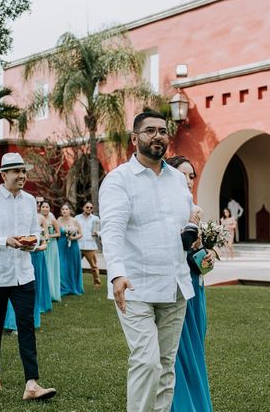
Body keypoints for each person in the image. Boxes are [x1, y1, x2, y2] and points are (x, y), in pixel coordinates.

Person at [99, 110, 195, 412]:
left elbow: (188, 220)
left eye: (163, 131)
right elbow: (111, 230)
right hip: (135, 286)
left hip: (176, 285)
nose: (158, 136)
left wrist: (198, 235)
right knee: (146, 361)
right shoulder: (118, 181)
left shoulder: (178, 180)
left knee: (166, 366)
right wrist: (116, 273)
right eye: (150, 130)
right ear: (134, 138)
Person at [0, 152, 56, 401]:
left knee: (26, 326)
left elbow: (34, 232)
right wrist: (3, 241)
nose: (22, 176)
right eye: (16, 171)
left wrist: (33, 242)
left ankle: (32, 384)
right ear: (4, 175)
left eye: (24, 171)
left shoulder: (29, 200)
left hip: (24, 274)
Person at [166, 155, 214, 412]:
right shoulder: (166, 211)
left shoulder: (195, 209)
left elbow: (201, 260)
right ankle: (180, 405)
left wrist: (206, 256)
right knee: (177, 349)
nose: (188, 181)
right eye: (182, 175)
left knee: (195, 349)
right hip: (174, 287)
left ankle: (197, 401)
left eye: (191, 176)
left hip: (197, 286)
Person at [57, 203, 84, 296]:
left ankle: (73, 286)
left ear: (70, 210)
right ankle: (64, 287)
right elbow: (57, 232)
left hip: (72, 246)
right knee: (61, 266)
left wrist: (73, 238)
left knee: (72, 266)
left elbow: (81, 234)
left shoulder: (74, 221)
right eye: (63, 209)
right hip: (61, 245)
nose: (64, 211)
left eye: (66, 209)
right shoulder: (58, 220)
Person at [75, 201, 102, 287]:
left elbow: (102, 231)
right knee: (75, 266)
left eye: (91, 208)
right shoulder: (77, 218)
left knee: (94, 267)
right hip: (78, 245)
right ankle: (75, 284)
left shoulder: (96, 219)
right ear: (83, 208)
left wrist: (97, 233)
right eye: (87, 207)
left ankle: (97, 283)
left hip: (90, 246)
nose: (89, 209)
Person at [40, 201, 61, 302]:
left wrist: (49, 236)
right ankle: (44, 292)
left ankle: (52, 292)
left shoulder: (53, 220)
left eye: (47, 207)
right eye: (43, 206)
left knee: (51, 268)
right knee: (44, 268)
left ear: (49, 208)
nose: (45, 208)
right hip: (42, 245)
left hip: (52, 246)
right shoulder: (38, 218)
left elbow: (58, 234)